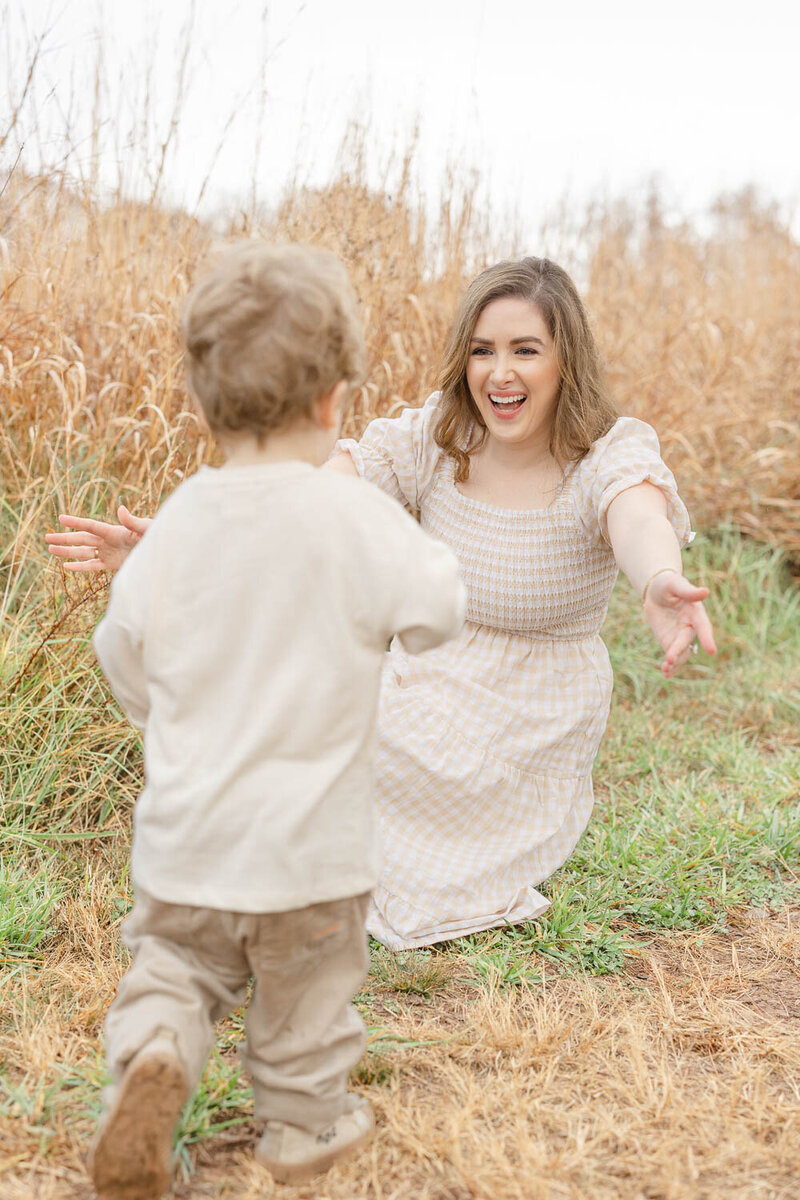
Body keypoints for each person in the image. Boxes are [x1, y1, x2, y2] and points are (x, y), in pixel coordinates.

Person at [47, 255, 716, 959]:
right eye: (483, 350)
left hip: (524, 724)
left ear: (564, 360)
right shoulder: (438, 438)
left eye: (526, 350)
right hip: (422, 684)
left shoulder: (605, 454)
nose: (500, 373)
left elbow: (638, 516)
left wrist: (658, 579)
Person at [80, 241, 465, 1200]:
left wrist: (157, 708)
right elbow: (439, 606)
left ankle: (159, 1047)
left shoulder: (179, 523)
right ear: (337, 397)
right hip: (310, 858)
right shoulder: (353, 515)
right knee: (307, 999)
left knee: (171, 966)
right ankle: (304, 1124)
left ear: (204, 400)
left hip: (187, 843)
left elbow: (123, 652)